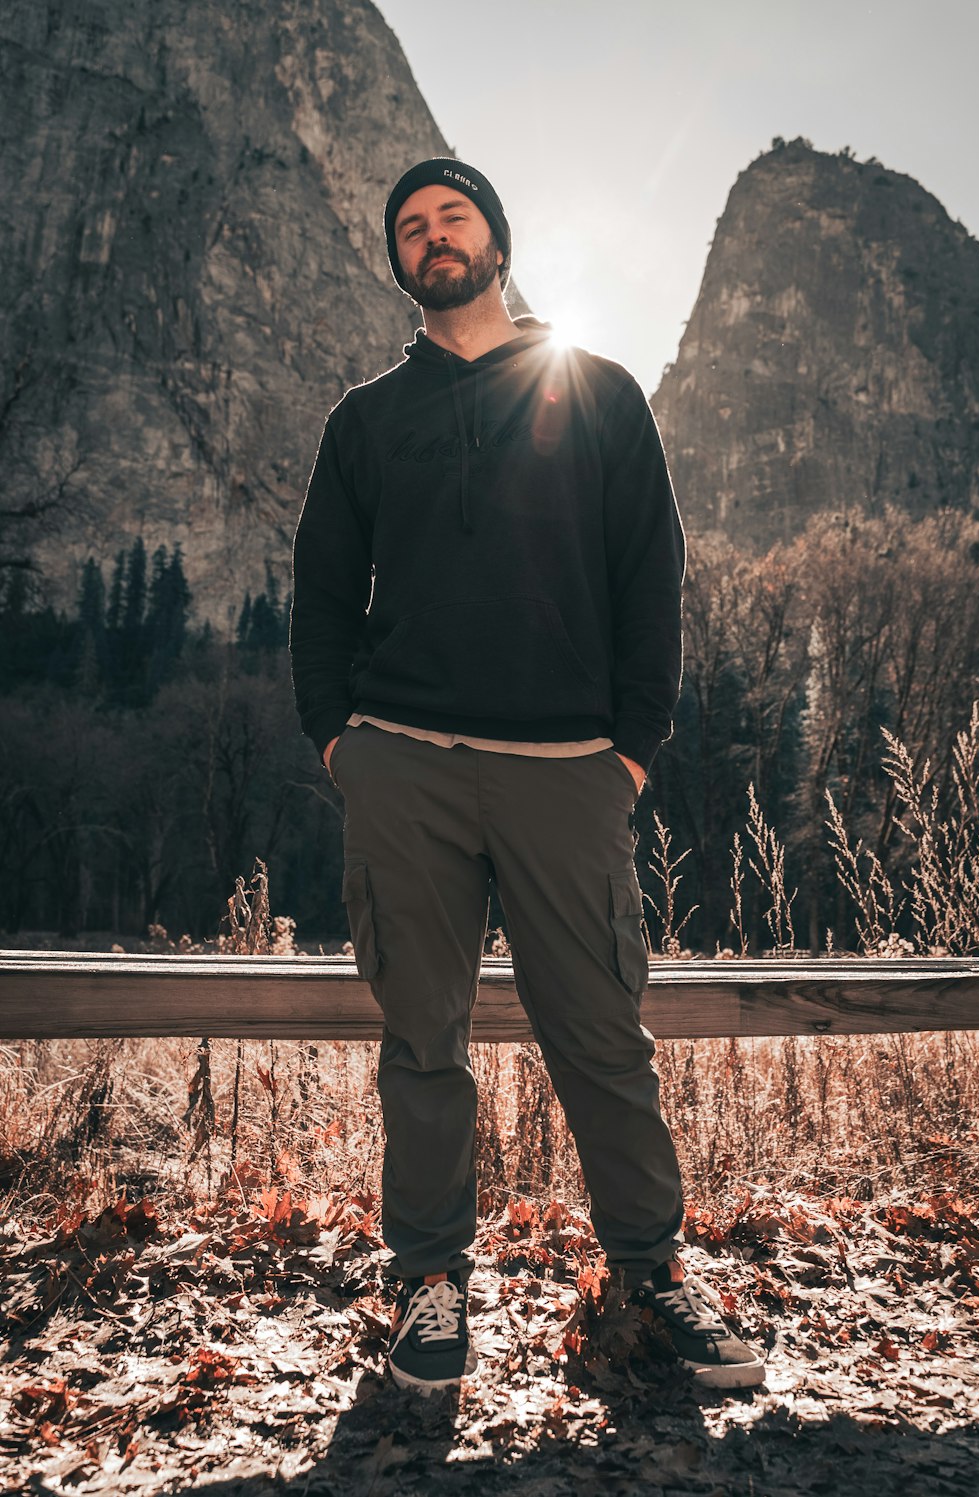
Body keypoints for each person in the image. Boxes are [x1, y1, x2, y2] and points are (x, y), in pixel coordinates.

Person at [289, 158, 765, 1396]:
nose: (433, 238)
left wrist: (628, 753)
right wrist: (342, 742)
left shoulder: (596, 393)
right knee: (423, 1040)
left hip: (567, 773)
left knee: (603, 1034)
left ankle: (651, 1278)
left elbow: (649, 579)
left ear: (498, 237)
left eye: (453, 217)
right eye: (411, 228)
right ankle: (432, 1283)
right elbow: (324, 595)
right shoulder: (365, 419)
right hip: (407, 769)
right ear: (397, 261)